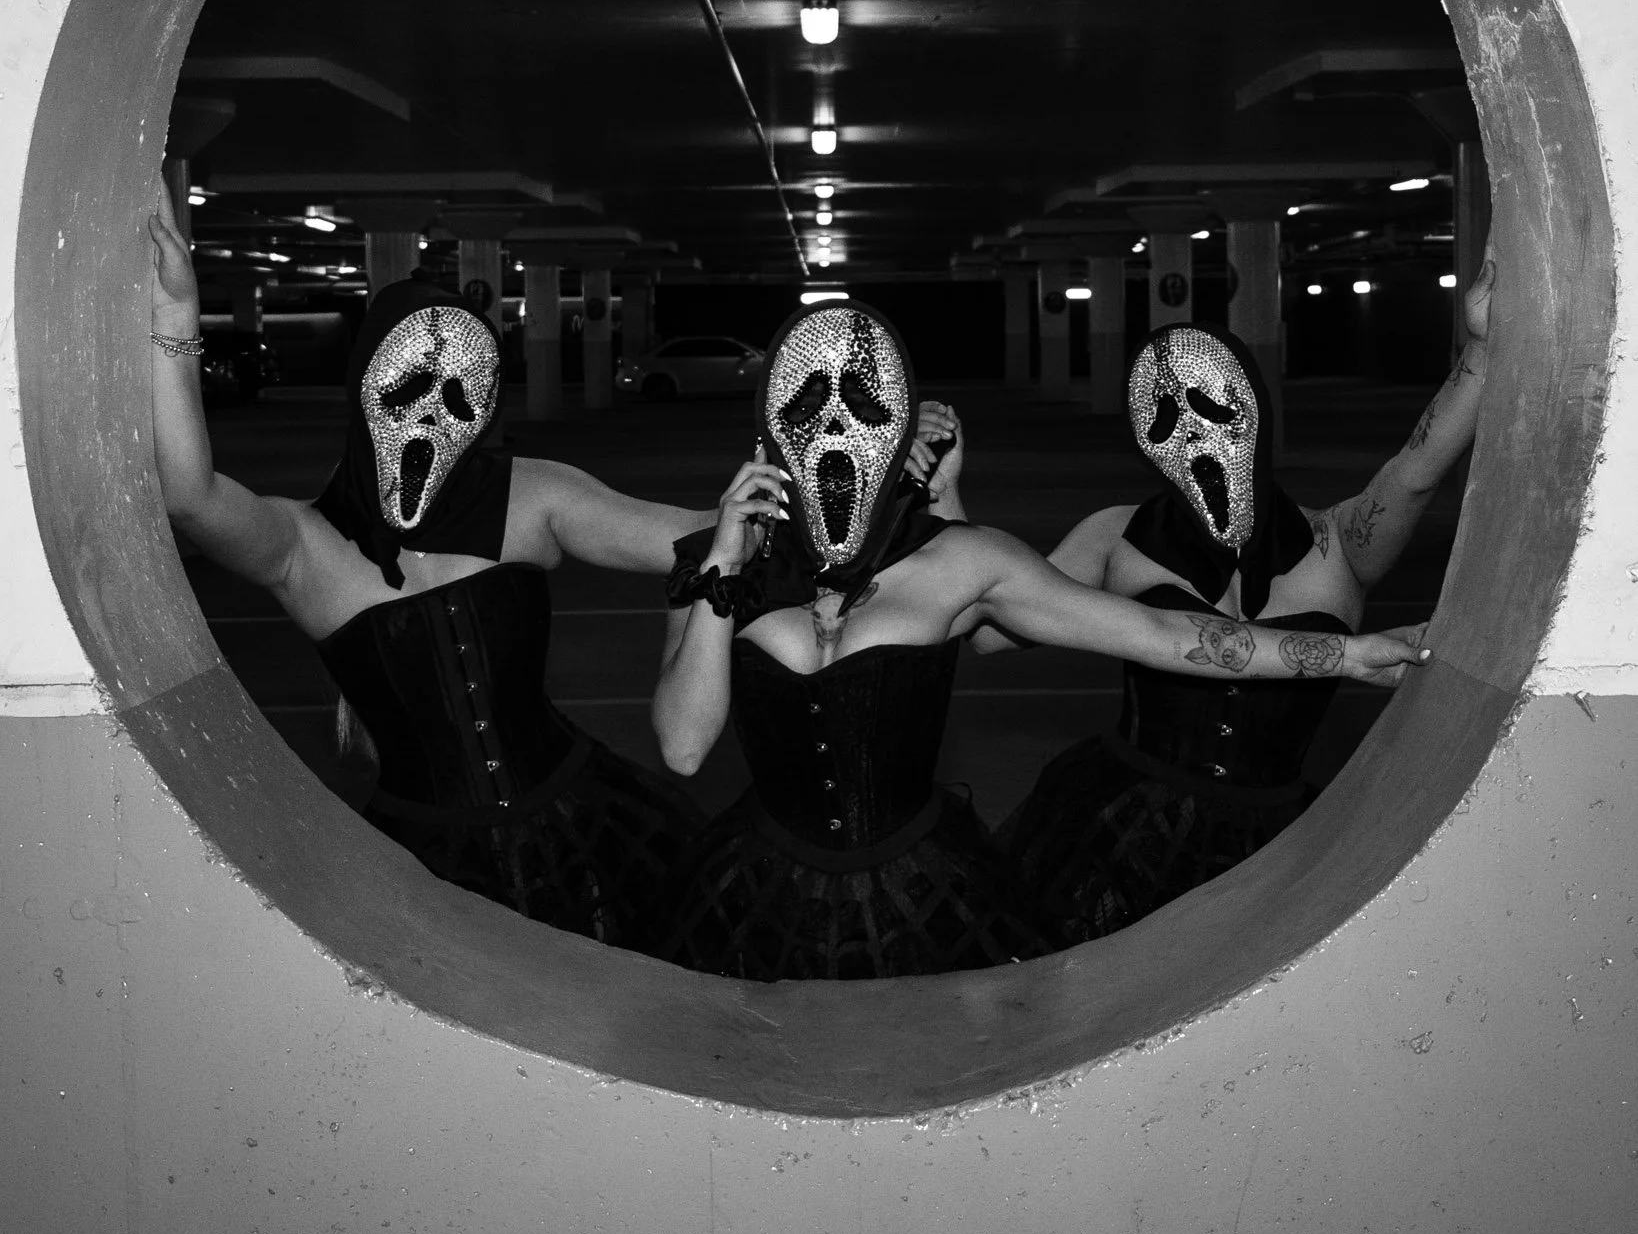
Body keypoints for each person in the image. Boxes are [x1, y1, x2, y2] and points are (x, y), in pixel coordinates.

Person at [650, 301, 1427, 982]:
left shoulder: (962, 561)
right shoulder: (713, 568)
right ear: (769, 427)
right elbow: (684, 746)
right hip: (758, 896)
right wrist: (722, 566)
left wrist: (1347, 654)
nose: (836, 438)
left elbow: (1158, 633)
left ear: (898, 427)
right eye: (808, 410)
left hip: (925, 895)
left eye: (864, 409)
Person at [148, 180, 719, 952]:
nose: (430, 415)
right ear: (362, 389)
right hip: (417, 865)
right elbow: (189, 498)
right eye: (410, 385)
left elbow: (693, 535)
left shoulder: (530, 496)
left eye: (461, 394)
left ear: (485, 409)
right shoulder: (303, 546)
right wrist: (175, 321)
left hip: (587, 835)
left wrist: (875, 482)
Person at [978, 256, 1496, 945]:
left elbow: (1418, 468)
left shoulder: (1339, 542)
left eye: (1211, 405)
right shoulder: (1113, 535)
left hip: (1276, 834)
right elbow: (989, 635)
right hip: (1118, 832)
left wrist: (1484, 348)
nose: (1191, 430)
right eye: (1162, 416)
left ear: (1255, 405)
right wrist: (946, 509)